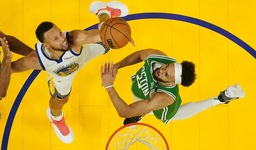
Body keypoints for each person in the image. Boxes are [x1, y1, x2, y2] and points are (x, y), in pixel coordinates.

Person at [11, 1, 132, 144]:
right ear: (46, 45)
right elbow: (11, 68)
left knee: (109, 40)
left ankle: (103, 11)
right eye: (56, 38)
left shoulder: (76, 38)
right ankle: (56, 119)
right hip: (63, 75)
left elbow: (102, 35)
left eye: (60, 33)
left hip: (84, 54)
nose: (63, 39)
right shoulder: (35, 60)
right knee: (61, 99)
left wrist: (122, 34)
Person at [100, 49, 245, 125]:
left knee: (176, 114)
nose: (161, 70)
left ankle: (221, 98)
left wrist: (109, 85)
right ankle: (142, 112)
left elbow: (125, 112)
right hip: (143, 90)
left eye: (166, 75)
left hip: (159, 105)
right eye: (166, 67)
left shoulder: (165, 98)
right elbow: (139, 55)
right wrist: (117, 66)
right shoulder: (158, 56)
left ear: (171, 83)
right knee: (143, 103)